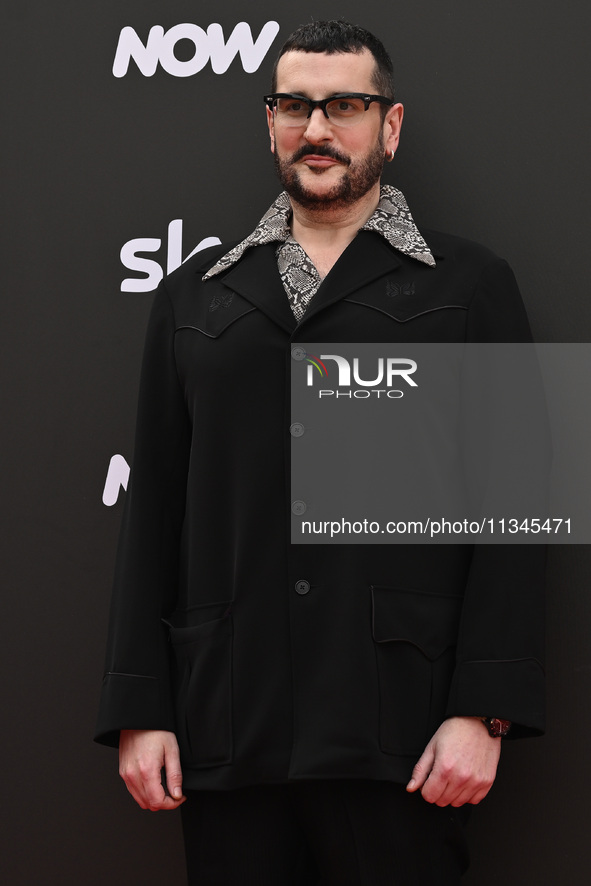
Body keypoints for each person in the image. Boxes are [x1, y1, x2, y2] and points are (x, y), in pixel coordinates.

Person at [95, 20, 545, 885]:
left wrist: (483, 711)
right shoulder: (196, 295)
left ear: (391, 123)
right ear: (269, 123)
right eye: (294, 105)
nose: (317, 128)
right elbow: (154, 507)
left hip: (398, 730)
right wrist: (138, 710)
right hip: (230, 726)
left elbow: (516, 503)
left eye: (345, 104)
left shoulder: (470, 284)